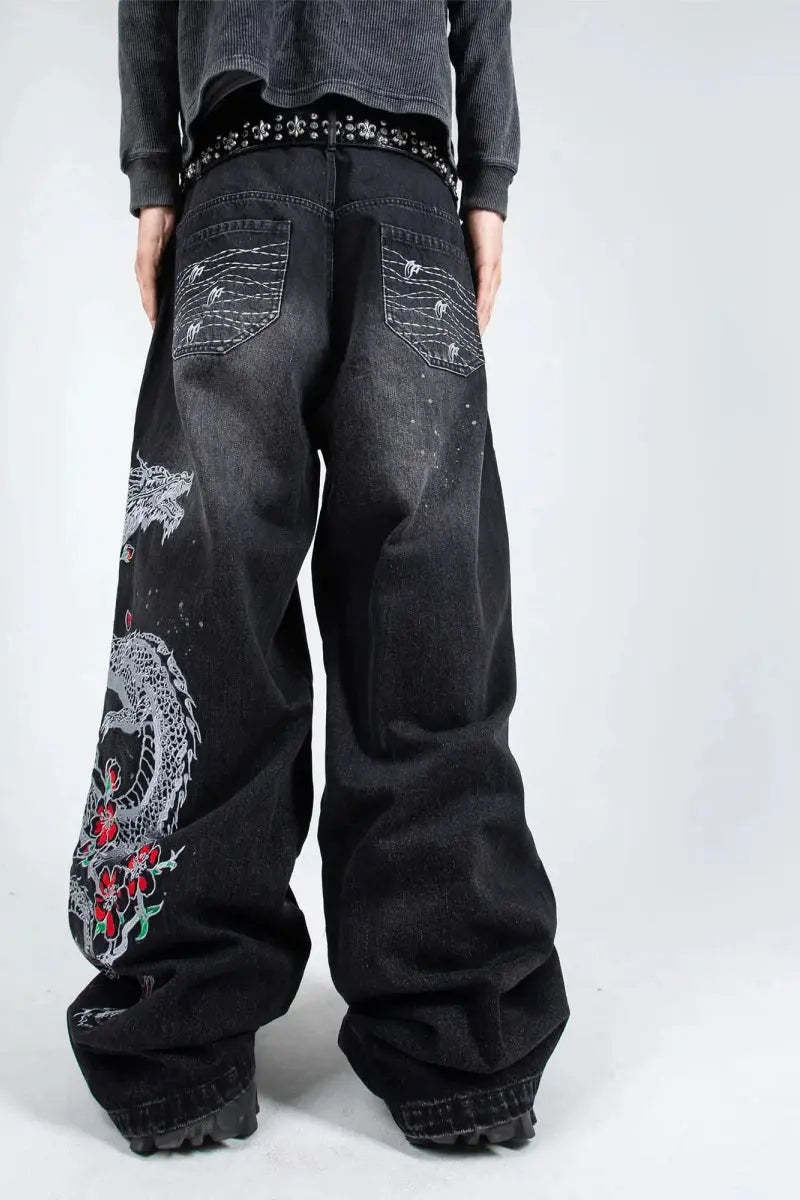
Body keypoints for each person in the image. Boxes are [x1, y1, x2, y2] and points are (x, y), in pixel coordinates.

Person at [66, 0, 569, 1154]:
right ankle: (461, 1036)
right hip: (411, 197)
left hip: (237, 182)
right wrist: (487, 184)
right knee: (430, 619)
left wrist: (154, 180)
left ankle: (179, 1041)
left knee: (204, 625)